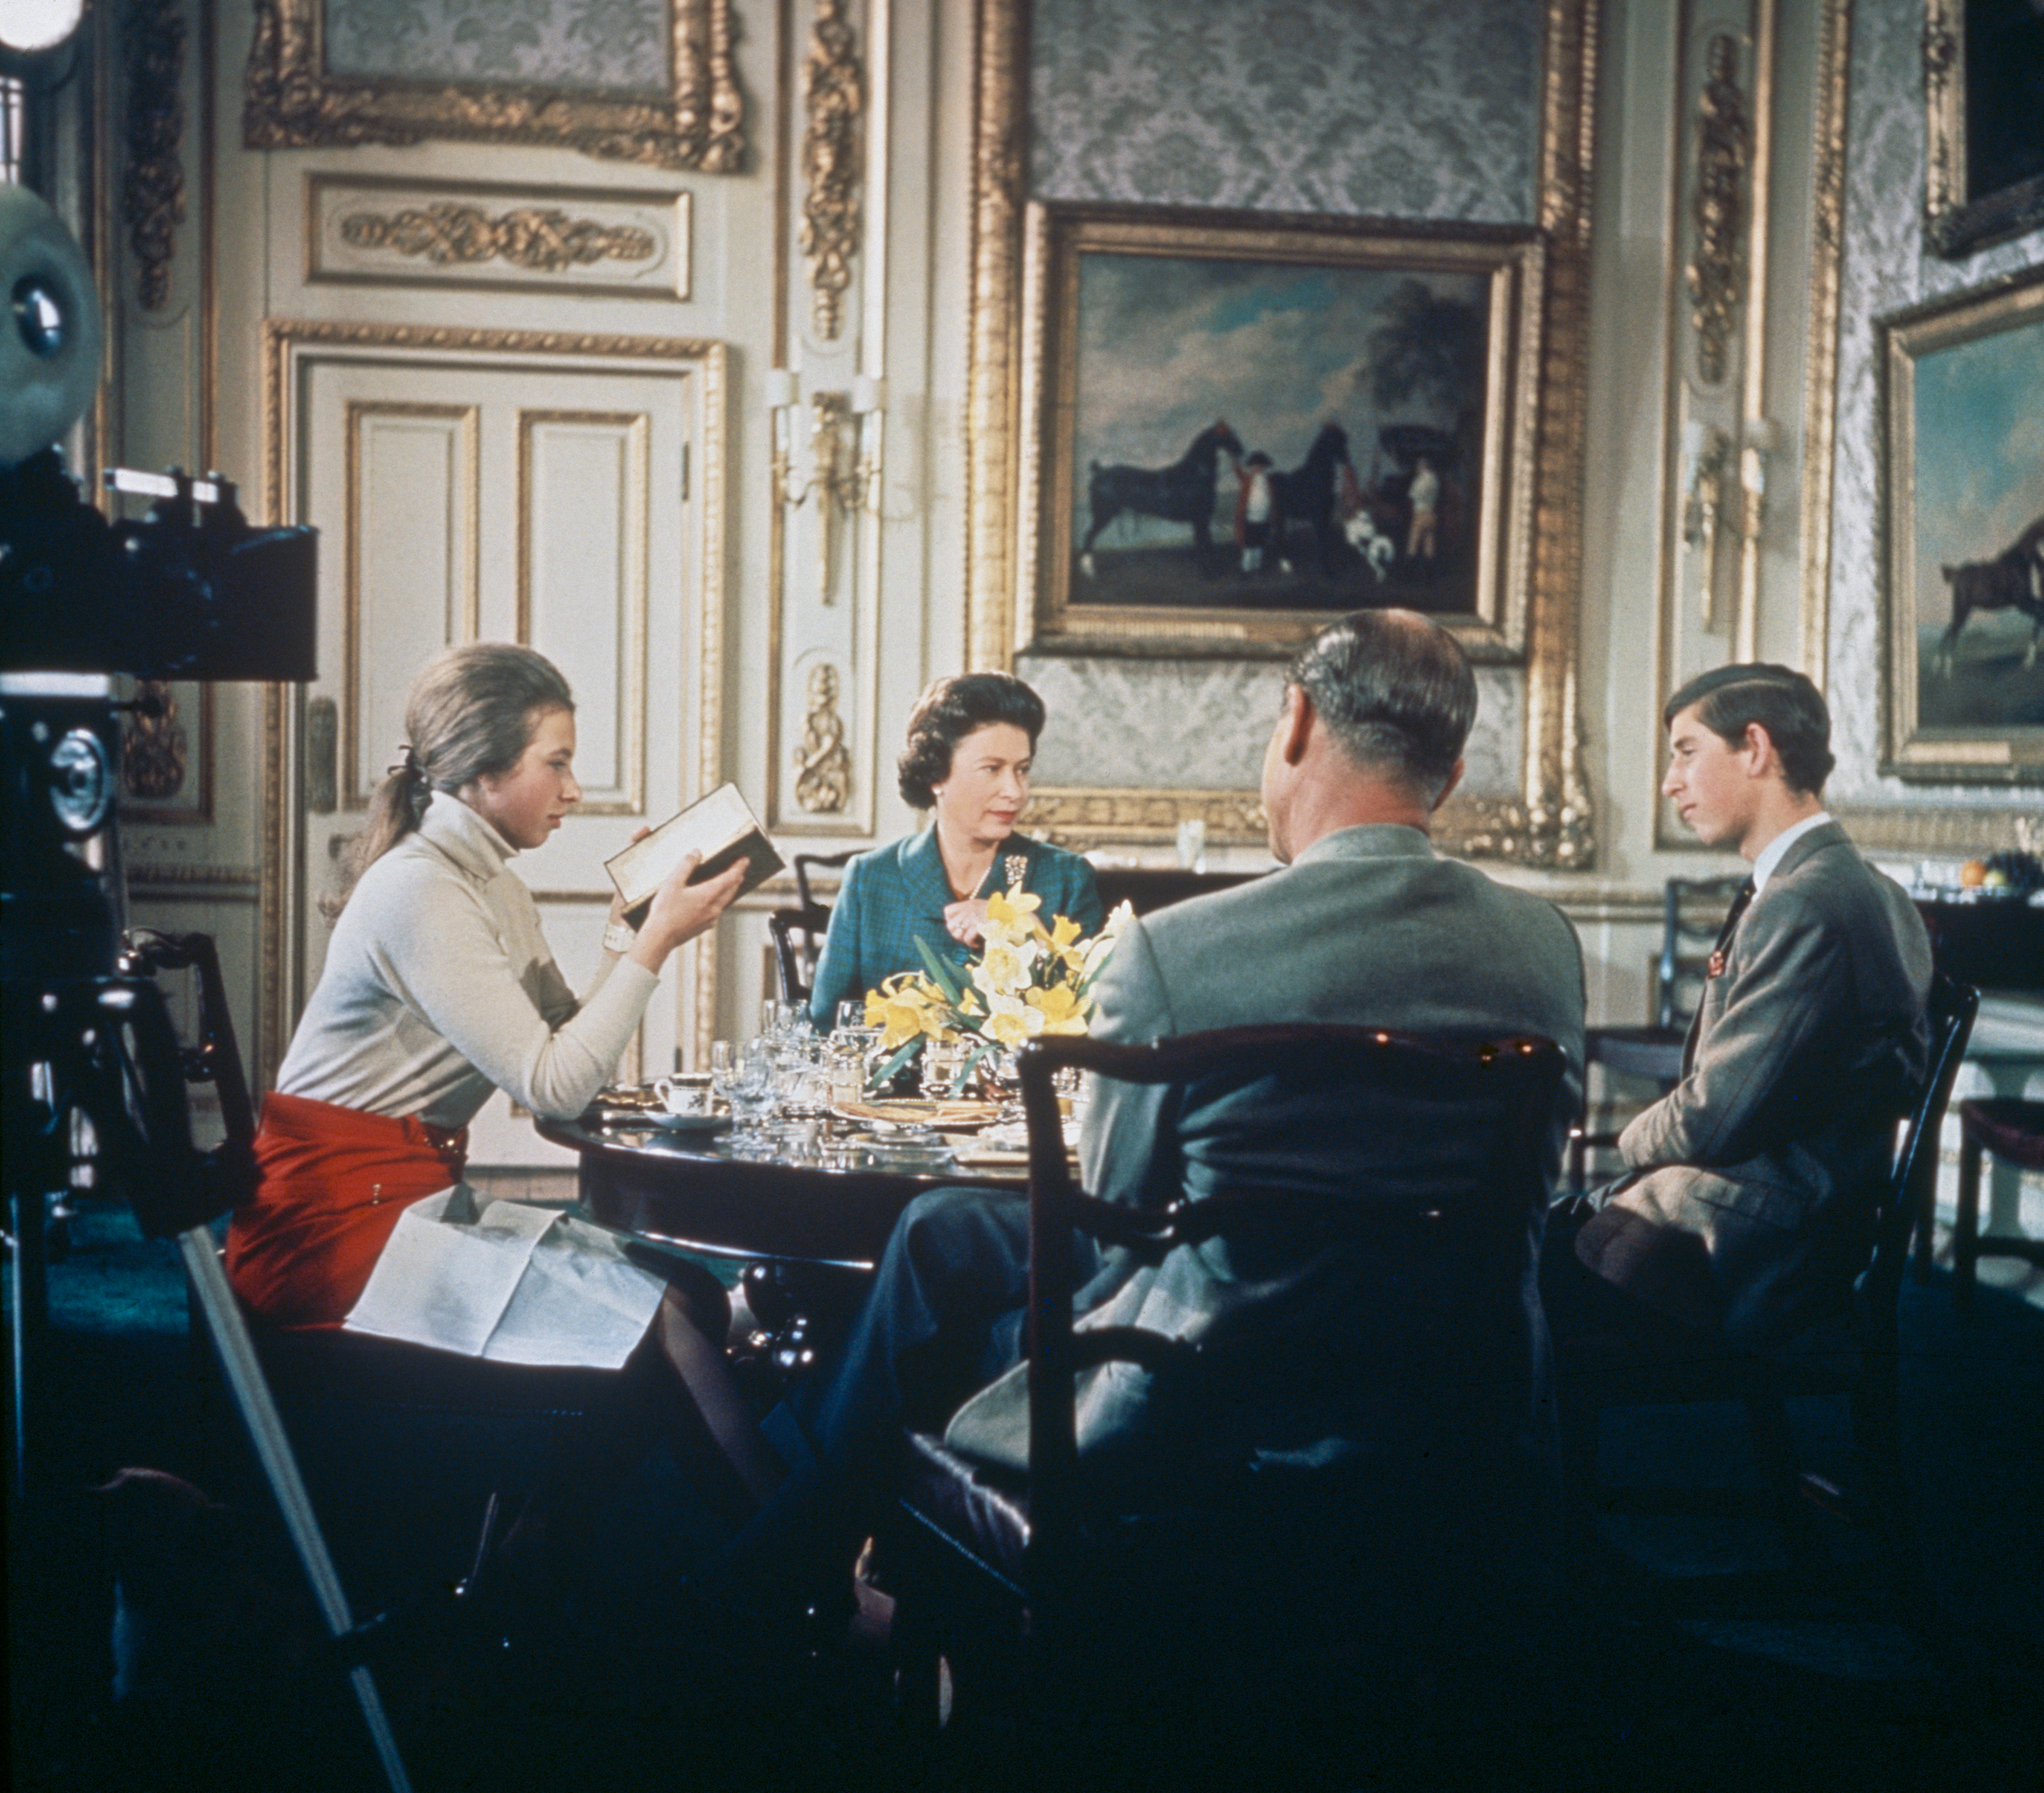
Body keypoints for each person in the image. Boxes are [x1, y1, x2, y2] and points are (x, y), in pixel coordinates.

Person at [716, 610, 1587, 1619]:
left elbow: (1117, 1215)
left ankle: (835, 1580)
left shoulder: (1179, 951)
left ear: (1295, 723)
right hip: (1458, 1383)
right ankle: (841, 1570)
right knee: (945, 1231)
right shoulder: (1543, 946)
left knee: (946, 1301)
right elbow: (1534, 1193)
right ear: (1456, 768)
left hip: (1213, 1385)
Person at [226, 642, 781, 1499]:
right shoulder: (419, 890)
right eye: (554, 763)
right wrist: (654, 945)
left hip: (400, 1203)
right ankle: (801, 1585)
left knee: (685, 1292)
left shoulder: (489, 886)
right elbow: (553, 1086)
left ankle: (534, 1546)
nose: (573, 790)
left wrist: (627, 930)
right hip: (331, 1236)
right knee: (658, 1321)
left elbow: (567, 1045)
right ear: (481, 775)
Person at [1547, 664, 1931, 1353]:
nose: (1670, 782)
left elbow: (1713, 1117)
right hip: (1786, 1215)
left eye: (1687, 751)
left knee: (1487, 1286)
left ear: (1755, 748)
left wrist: (1620, 1141)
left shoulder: (1805, 899)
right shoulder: (1860, 883)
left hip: (1764, 1243)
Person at [805, 671, 1104, 1030]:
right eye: (992, 769)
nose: (1015, 791)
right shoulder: (871, 879)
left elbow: (1093, 1023)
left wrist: (1023, 930)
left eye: (1022, 770)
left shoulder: (1066, 878)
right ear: (936, 776)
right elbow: (824, 1027)